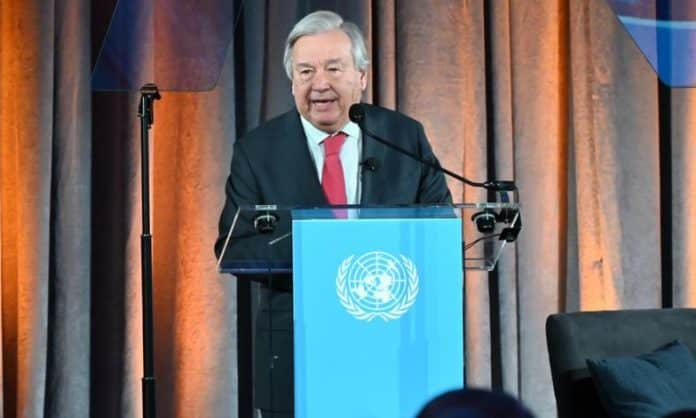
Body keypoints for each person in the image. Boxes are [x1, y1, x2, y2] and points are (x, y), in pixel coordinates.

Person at [215, 10, 451, 418]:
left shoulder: (403, 136)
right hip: (298, 350)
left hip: (394, 343)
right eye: (305, 71)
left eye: (333, 68)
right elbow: (233, 248)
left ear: (361, 76)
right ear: (292, 84)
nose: (319, 84)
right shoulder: (257, 151)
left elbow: (440, 228)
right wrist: (324, 252)